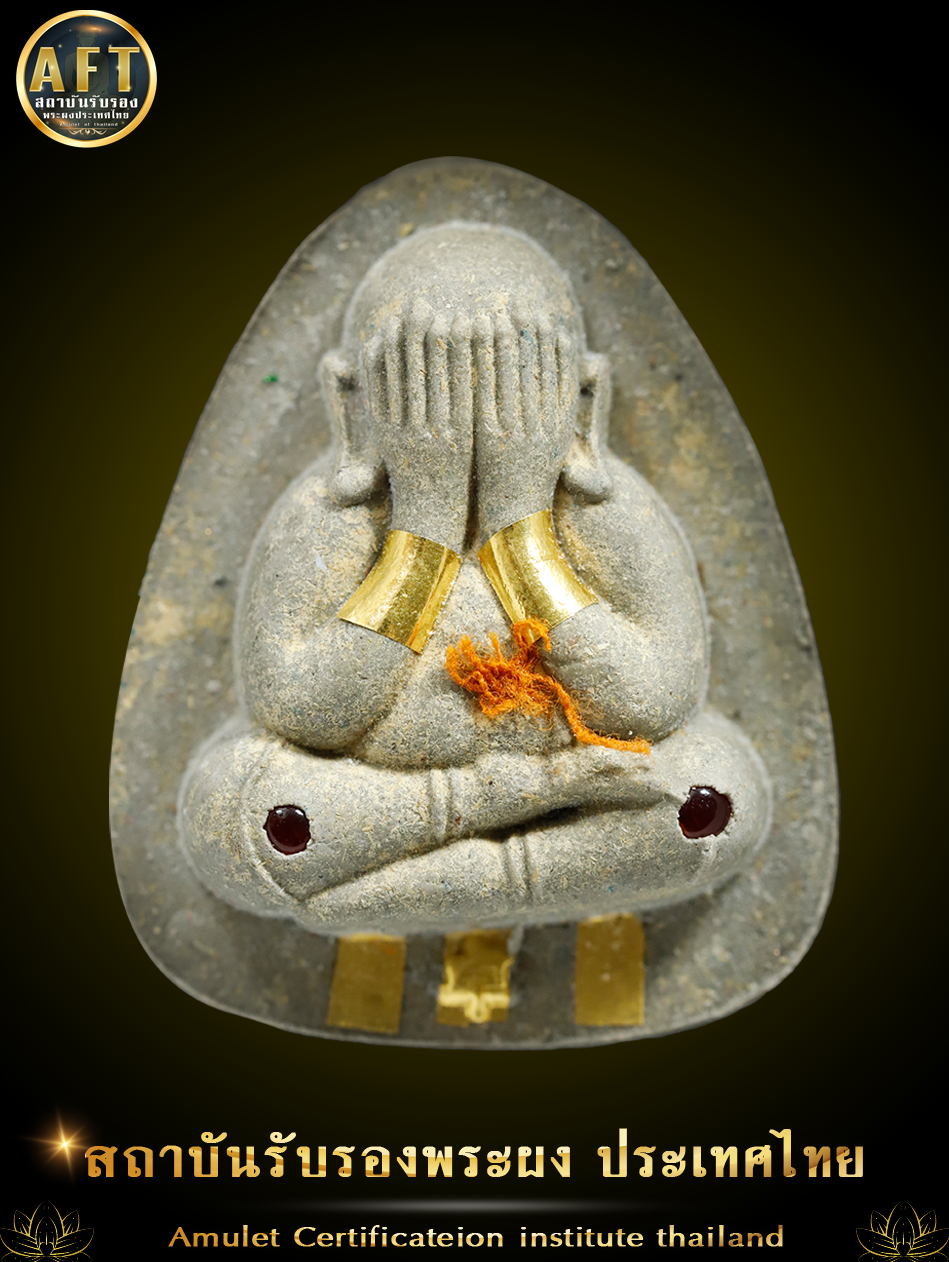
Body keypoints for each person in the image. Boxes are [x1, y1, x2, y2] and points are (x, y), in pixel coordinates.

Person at [179, 224, 770, 934]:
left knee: (713, 800)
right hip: (383, 808)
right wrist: (423, 529)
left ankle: (381, 903)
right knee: (231, 814)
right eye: (420, 388)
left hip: (581, 806)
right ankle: (510, 863)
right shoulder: (330, 519)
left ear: (582, 402)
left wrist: (519, 534)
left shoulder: (607, 513)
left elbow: (649, 703)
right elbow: (303, 712)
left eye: (516, 389)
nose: (466, 425)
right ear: (354, 404)